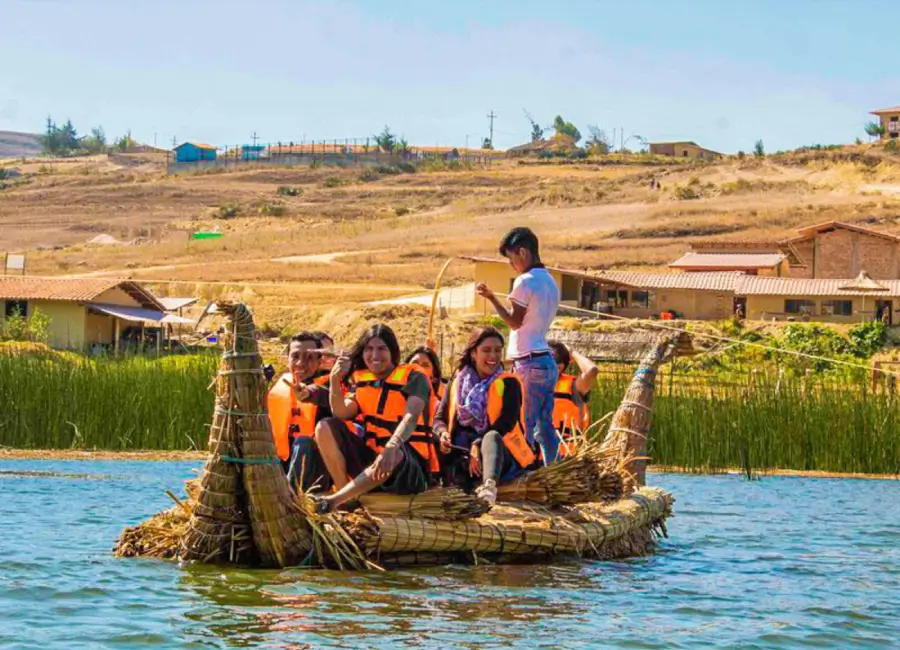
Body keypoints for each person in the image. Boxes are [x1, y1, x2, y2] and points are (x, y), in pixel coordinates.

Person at [313, 324, 440, 512]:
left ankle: (334, 501)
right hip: (373, 460)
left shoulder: (414, 377)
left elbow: (411, 416)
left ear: (393, 352)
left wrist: (392, 445)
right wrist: (334, 379)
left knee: (395, 453)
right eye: (369, 349)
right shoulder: (362, 380)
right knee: (324, 427)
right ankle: (346, 494)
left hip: (409, 467)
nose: (375, 355)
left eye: (382, 349)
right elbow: (341, 413)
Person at [476, 227, 561, 463]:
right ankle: (553, 468)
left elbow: (515, 322)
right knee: (545, 426)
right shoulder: (550, 281)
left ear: (523, 253)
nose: (511, 264)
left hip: (529, 362)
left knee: (525, 423)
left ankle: (527, 470)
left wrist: (492, 299)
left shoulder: (525, 281)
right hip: (546, 361)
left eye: (511, 258)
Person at [433, 327, 537, 505]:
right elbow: (439, 418)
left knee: (491, 437)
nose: (493, 356)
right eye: (486, 350)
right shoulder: (457, 382)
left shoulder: (508, 383)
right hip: (462, 451)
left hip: (498, 454)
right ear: (473, 353)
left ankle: (489, 487)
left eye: (497, 350)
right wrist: (442, 433)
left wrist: (477, 444)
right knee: (433, 439)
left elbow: (506, 423)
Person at [266, 332, 334, 491]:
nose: (300, 363)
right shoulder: (281, 385)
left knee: (303, 442)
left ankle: (289, 496)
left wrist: (306, 393)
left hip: (316, 472)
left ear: (319, 361)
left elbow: (320, 394)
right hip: (281, 463)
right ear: (287, 359)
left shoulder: (331, 387)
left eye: (309, 357)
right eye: (295, 356)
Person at [549, 341, 598, 449]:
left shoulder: (573, 386)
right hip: (532, 457)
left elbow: (592, 370)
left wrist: (572, 353)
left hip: (566, 455)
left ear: (560, 367)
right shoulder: (530, 383)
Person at [406, 345, 447, 418]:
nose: (419, 368)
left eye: (425, 365)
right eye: (414, 363)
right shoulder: (389, 394)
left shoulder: (440, 408)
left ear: (434, 377)